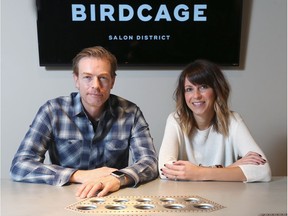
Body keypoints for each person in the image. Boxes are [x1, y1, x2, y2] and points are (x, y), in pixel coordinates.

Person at [10, 46, 158, 198]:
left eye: (103, 77)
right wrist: (79, 175)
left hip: (113, 198)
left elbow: (150, 163)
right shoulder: (52, 111)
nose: (95, 85)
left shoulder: (130, 113)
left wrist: (118, 178)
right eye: (87, 77)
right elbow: (19, 165)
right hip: (65, 199)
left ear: (112, 81)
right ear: (76, 80)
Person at [158, 59, 271, 182]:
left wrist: (198, 173)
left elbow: (263, 171)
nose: (196, 96)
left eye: (203, 87)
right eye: (189, 89)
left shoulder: (233, 120)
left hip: (226, 197)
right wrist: (229, 168)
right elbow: (164, 170)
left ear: (217, 90)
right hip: (187, 196)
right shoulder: (176, 120)